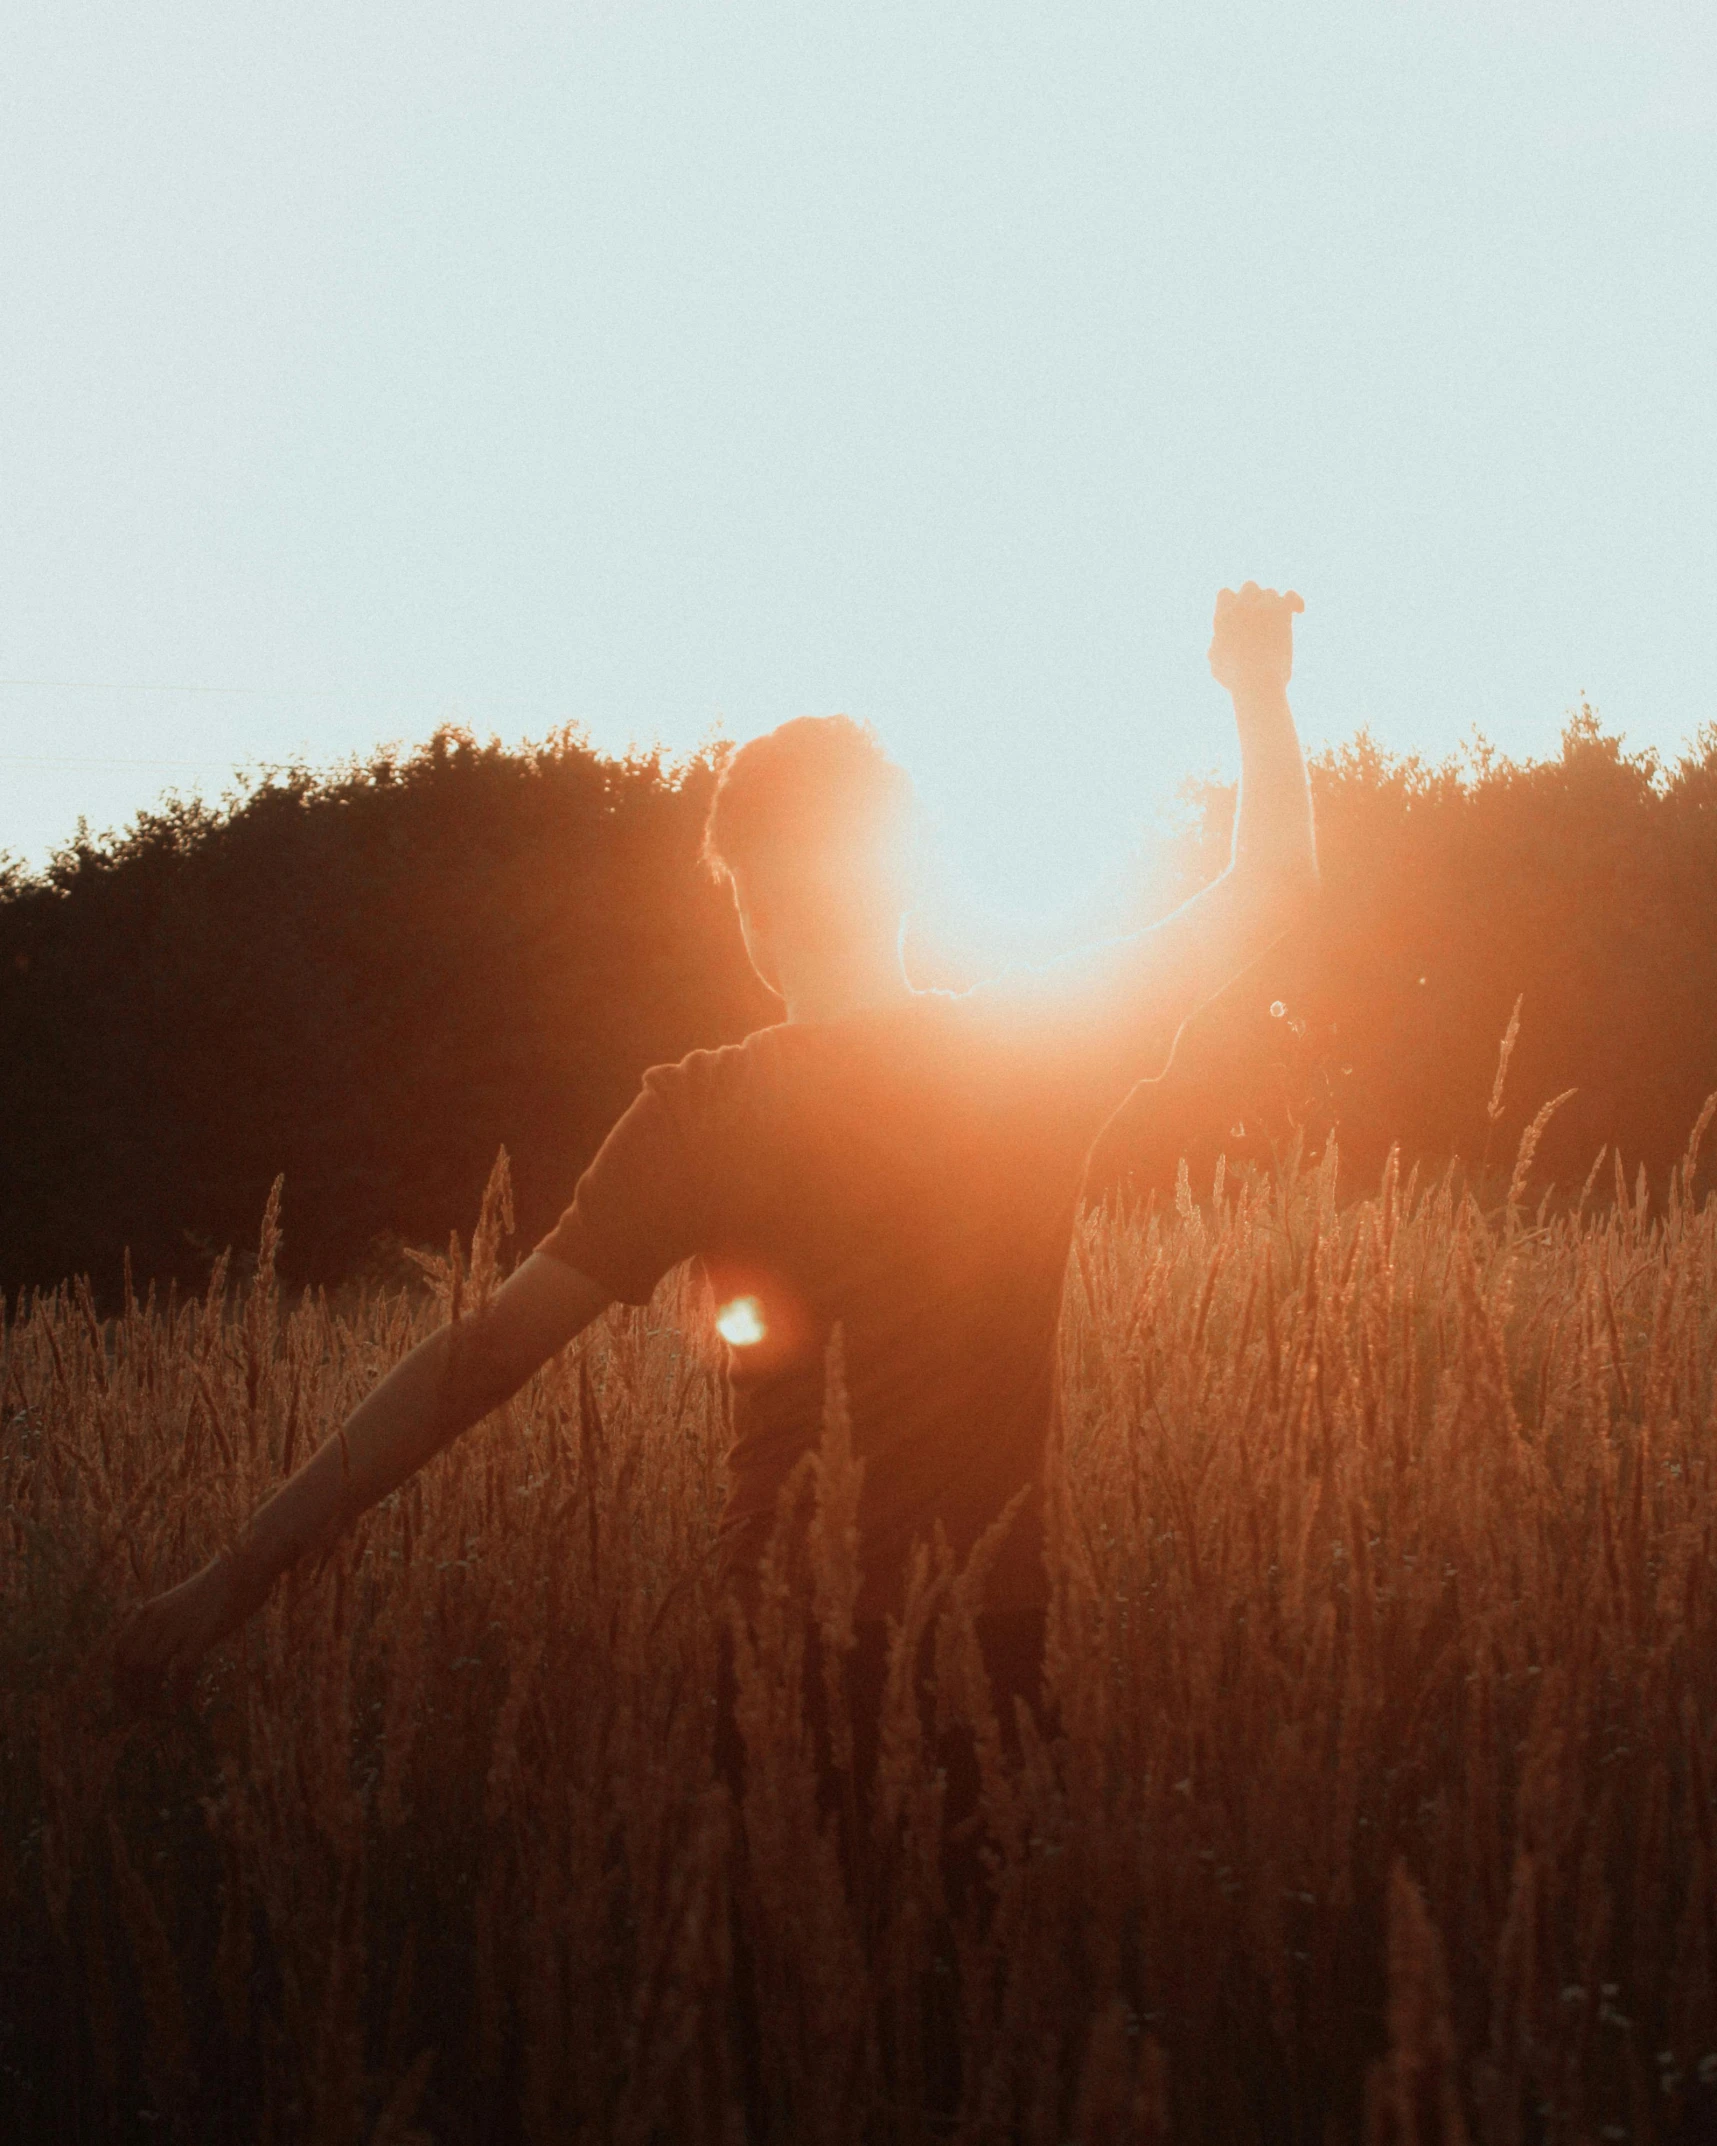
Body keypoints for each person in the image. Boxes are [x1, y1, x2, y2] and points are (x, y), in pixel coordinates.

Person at [115, 584, 1318, 1749]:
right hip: (992, 1647)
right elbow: (1271, 888)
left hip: (776, 1651)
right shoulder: (1029, 1052)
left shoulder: (698, 1112)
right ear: (905, 883)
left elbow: (478, 1361)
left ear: (745, 904)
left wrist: (230, 1581)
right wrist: (1256, 688)